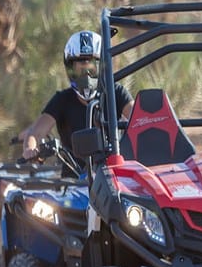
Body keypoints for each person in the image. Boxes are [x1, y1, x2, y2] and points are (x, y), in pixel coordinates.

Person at [21, 31, 133, 173]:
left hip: (114, 175)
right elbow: (35, 133)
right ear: (70, 69)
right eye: (81, 67)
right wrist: (30, 149)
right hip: (74, 179)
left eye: (91, 67)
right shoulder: (62, 99)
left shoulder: (115, 92)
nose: (87, 75)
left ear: (102, 67)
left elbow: (139, 118)